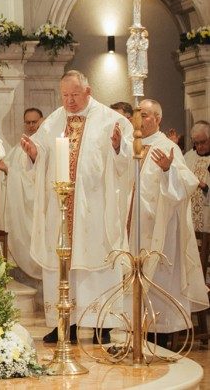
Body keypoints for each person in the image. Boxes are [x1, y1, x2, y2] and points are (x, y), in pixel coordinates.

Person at [20, 70, 133, 344]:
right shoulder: (55, 120)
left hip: (94, 206)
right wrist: (35, 155)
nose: (69, 101)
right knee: (61, 261)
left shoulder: (112, 120)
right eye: (65, 95)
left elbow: (127, 164)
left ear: (88, 92)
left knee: (96, 261)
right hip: (60, 205)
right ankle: (63, 323)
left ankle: (101, 325)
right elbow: (42, 151)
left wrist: (119, 149)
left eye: (74, 95)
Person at [126, 99, 209, 347]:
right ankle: (135, 335)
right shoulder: (133, 145)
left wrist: (167, 171)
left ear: (158, 119)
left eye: (147, 115)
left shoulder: (165, 147)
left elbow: (188, 184)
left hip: (159, 230)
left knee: (158, 285)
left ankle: (159, 338)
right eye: (138, 114)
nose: (141, 119)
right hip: (133, 230)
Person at [0, 108, 44, 281]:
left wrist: (8, 169)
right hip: (20, 205)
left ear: (42, 121)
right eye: (28, 122)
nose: (31, 126)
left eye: (34, 122)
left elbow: (35, 177)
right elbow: (10, 168)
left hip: (38, 206)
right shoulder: (20, 146)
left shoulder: (45, 144)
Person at [184, 120, 210, 233]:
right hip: (189, 213)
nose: (199, 146)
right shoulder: (188, 157)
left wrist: (205, 187)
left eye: (203, 142)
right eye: (196, 143)